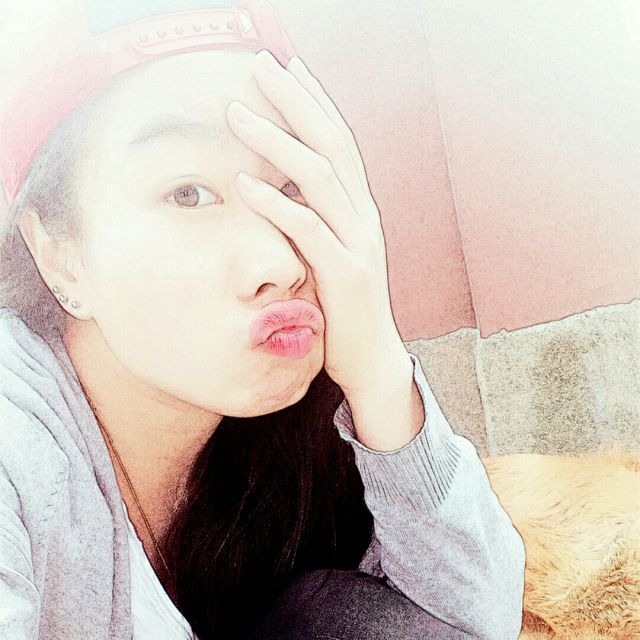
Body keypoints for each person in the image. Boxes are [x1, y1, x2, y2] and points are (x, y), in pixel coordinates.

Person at [0, 1, 526, 638]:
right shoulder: (15, 445)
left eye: (290, 189)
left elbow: (470, 623)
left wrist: (377, 370)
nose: (280, 262)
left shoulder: (296, 446)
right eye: (188, 194)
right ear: (59, 254)